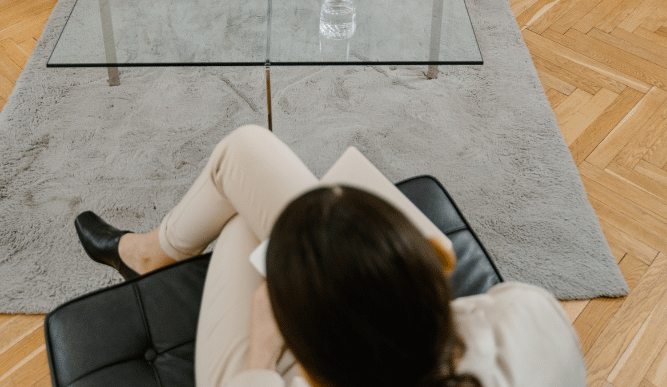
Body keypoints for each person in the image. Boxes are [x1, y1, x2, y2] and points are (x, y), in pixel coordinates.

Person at [74, 125, 586, 387]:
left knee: (239, 224)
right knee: (246, 149)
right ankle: (148, 252)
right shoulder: (534, 317)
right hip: (406, 331)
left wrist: (261, 350)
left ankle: (145, 256)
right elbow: (481, 310)